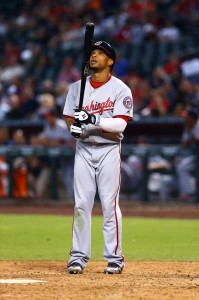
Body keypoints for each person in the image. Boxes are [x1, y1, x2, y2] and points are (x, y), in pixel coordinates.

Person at [63, 41, 133, 274]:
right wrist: (74, 128)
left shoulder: (120, 89)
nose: (94, 56)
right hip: (83, 148)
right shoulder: (76, 88)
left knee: (109, 205)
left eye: (100, 53)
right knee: (81, 204)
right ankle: (78, 256)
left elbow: (120, 123)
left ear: (110, 61)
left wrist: (93, 119)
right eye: (91, 53)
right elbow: (69, 120)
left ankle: (114, 258)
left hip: (108, 149)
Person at [175, 108, 199, 200]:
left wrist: (189, 131)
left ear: (192, 118)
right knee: (181, 167)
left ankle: (191, 193)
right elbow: (184, 145)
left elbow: (197, 141)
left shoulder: (198, 125)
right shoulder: (188, 126)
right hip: (195, 157)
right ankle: (190, 193)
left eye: (187, 117)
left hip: (197, 156)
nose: (186, 119)